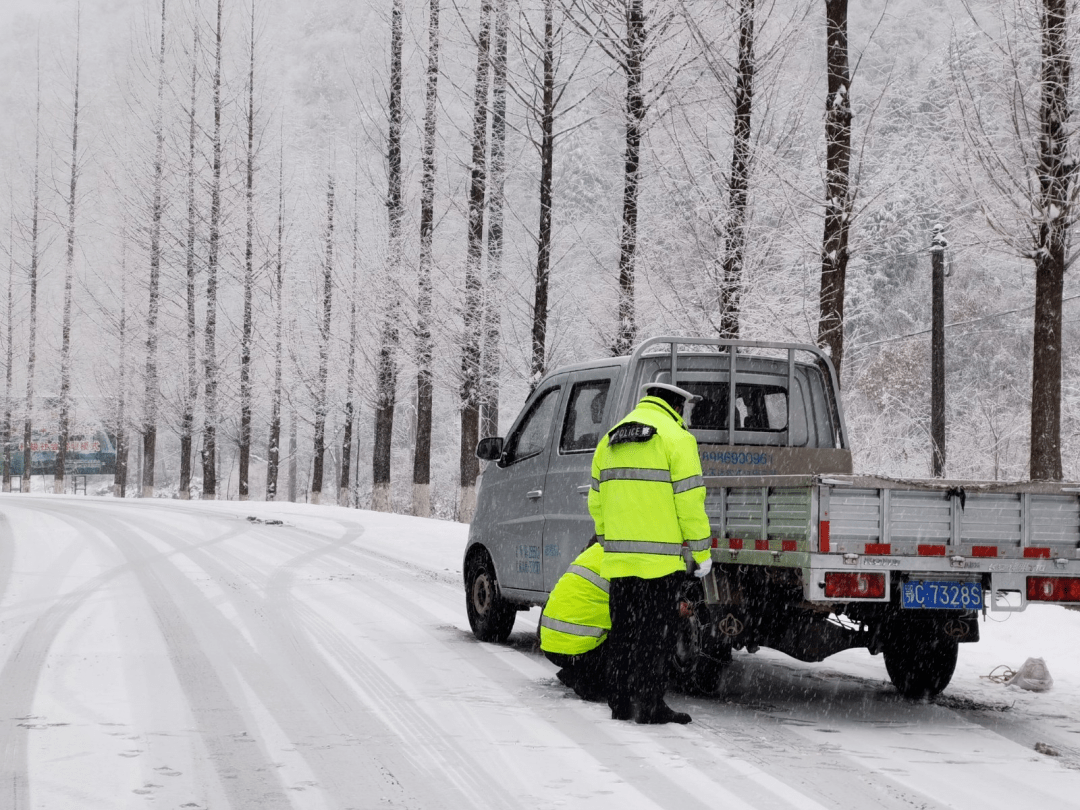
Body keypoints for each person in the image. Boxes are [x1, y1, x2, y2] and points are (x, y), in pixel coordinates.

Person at [588, 382, 712, 724]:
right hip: (659, 565)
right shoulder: (677, 439)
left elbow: (595, 501)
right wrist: (701, 552)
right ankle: (651, 706)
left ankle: (620, 703)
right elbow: (690, 503)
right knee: (655, 637)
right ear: (676, 404)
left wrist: (608, 539)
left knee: (624, 632)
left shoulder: (610, 439)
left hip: (619, 561)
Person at [539, 539, 611, 702]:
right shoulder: (625, 560)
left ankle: (574, 669)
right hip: (578, 647)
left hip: (550, 644)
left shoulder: (592, 551)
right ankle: (587, 679)